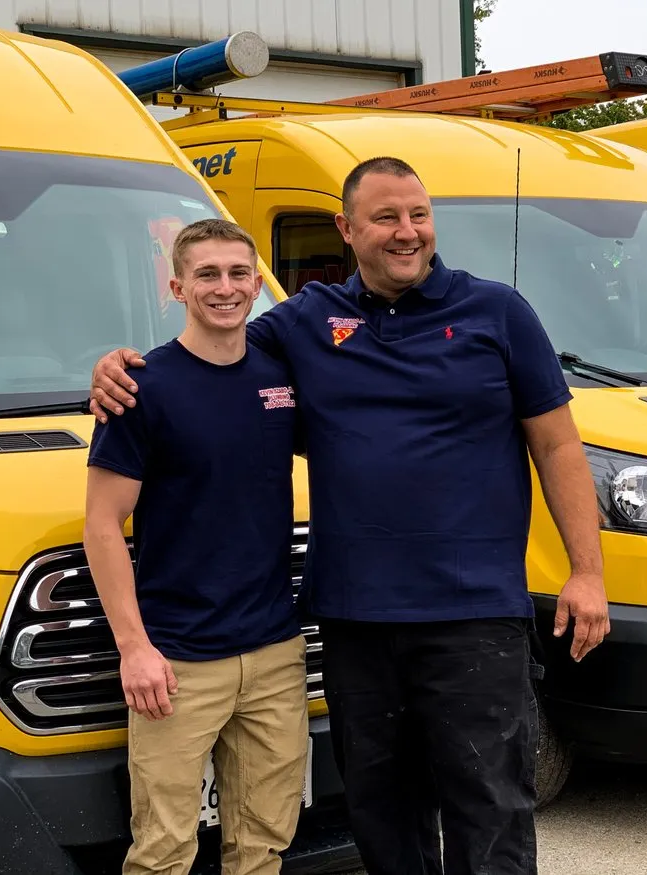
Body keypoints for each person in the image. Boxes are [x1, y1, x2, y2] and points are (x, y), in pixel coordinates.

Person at [88, 158, 610, 875]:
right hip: (357, 621)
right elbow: (213, 349)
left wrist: (587, 571)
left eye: (418, 215)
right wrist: (120, 366)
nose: (407, 232)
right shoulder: (303, 321)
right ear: (347, 229)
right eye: (386, 218)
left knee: (488, 809)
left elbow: (557, 444)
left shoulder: (497, 312)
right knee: (381, 809)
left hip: (474, 617)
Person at [82, 218, 309, 875]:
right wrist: (135, 648)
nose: (226, 287)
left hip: (273, 650)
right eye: (207, 274)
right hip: (177, 662)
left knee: (263, 843)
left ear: (257, 283)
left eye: (239, 273)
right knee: (162, 851)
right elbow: (102, 525)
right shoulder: (139, 388)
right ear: (177, 286)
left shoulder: (281, 379)